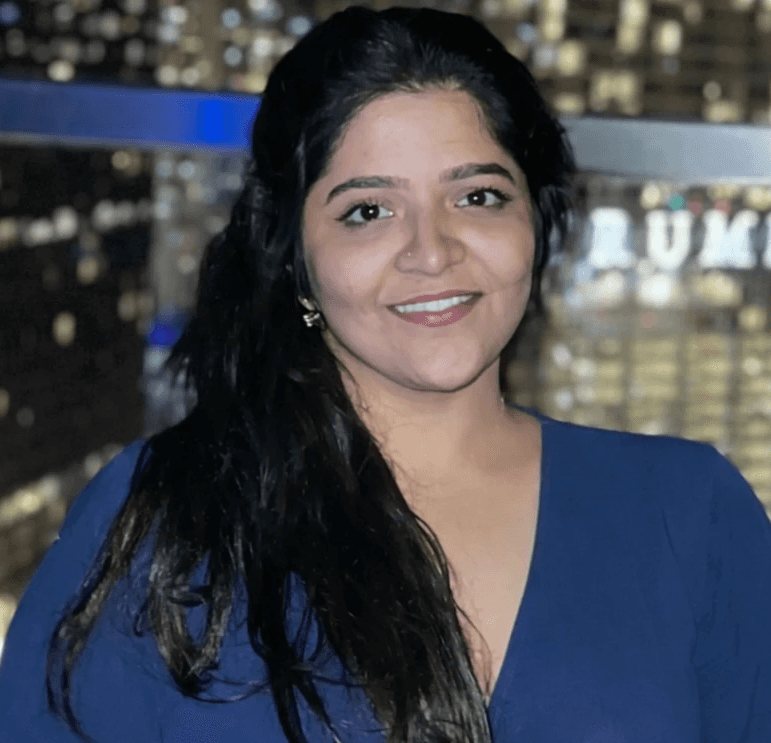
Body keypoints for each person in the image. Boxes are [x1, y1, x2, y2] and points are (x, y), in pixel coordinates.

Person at [2, 4, 771, 742]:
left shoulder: (689, 514)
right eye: (367, 210)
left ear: (535, 221)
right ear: (293, 257)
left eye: (477, 195)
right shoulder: (165, 514)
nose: (431, 251)